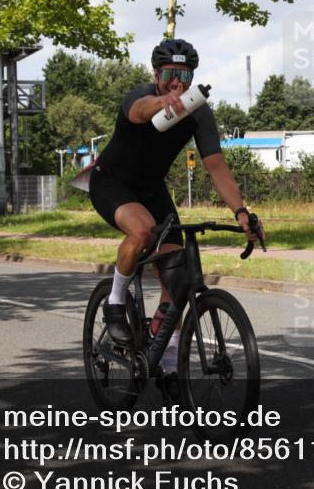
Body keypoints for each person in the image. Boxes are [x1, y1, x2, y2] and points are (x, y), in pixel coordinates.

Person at [88, 38, 264, 380]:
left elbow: (216, 167)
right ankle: (114, 302)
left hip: (152, 189)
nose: (177, 83)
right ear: (156, 73)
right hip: (111, 182)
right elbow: (138, 111)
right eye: (169, 73)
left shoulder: (198, 112)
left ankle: (166, 362)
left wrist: (241, 212)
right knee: (142, 231)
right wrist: (161, 102)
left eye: (184, 76)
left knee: (177, 277)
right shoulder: (139, 98)